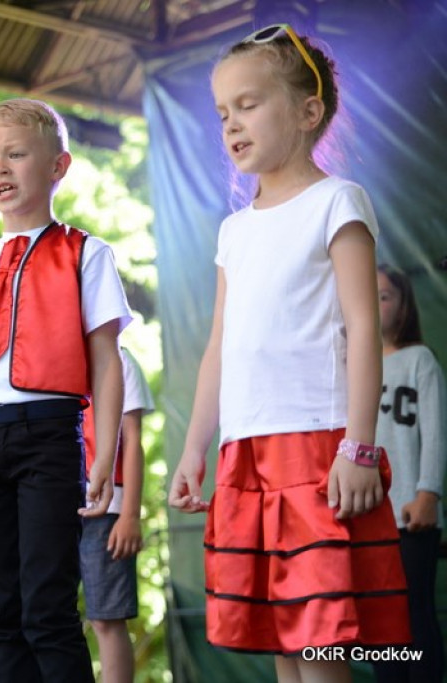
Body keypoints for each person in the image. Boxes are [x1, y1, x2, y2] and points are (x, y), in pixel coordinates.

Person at [167, 24, 410, 682]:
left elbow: (364, 328)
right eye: (222, 113)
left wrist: (359, 446)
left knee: (320, 637)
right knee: (281, 637)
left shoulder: (338, 201)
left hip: (318, 447)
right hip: (245, 454)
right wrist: (195, 447)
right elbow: (220, 343)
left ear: (308, 112)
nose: (231, 124)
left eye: (248, 104)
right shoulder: (234, 230)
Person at [0, 98, 131, 683]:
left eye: (15, 154)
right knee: (2, 613)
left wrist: (106, 452)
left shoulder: (85, 253)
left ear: (58, 166)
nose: (0, 170)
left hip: (48, 438)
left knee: (48, 608)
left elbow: (107, 364)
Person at [372, 265, 446, 683]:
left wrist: (428, 494)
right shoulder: (351, 367)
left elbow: (435, 431)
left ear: (403, 306)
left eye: (386, 296)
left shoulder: (420, 360)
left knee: (414, 615)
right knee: (381, 621)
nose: (377, 302)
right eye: (371, 294)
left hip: (410, 513)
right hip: (369, 518)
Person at [80, 347, 154, 683]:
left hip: (109, 511)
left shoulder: (121, 360)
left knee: (106, 619)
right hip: (56, 505)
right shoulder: (58, 358)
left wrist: (130, 515)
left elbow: (133, 440)